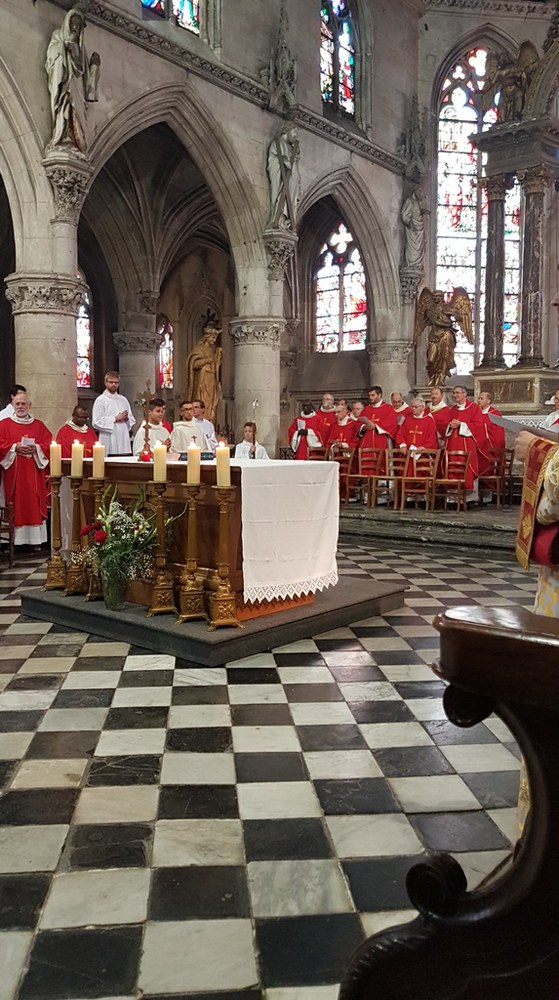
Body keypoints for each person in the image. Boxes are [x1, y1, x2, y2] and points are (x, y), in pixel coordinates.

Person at [45, 6, 100, 152]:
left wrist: (94, 67)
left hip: (77, 87)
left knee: (77, 114)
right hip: (65, 82)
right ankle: (63, 135)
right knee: (65, 107)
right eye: (73, 23)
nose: (75, 27)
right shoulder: (58, 35)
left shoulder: (82, 50)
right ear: (68, 23)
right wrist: (63, 47)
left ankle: (75, 139)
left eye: (78, 25)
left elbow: (86, 78)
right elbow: (52, 56)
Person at [0, 392, 51, 547]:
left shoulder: (39, 425)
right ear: (13, 405)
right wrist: (15, 447)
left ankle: (35, 541)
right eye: (17, 404)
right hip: (13, 472)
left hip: (34, 472)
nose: (20, 407)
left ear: (30, 405)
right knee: (15, 503)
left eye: (23, 404)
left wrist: (36, 448)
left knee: (33, 503)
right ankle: (14, 541)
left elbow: (49, 445)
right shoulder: (4, 425)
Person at [444, 385, 489, 499]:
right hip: (453, 444)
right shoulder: (452, 410)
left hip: (467, 444)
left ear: (465, 394)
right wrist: (450, 425)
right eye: (454, 393)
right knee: (452, 468)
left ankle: (469, 498)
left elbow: (478, 426)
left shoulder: (474, 408)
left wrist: (461, 424)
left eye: (457, 393)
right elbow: (446, 424)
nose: (455, 395)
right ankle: (452, 499)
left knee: (467, 468)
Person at [185, 324, 223, 425]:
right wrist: (208, 360)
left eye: (215, 338)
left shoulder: (213, 350)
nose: (214, 340)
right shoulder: (199, 349)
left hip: (212, 380)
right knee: (201, 399)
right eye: (213, 338)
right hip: (202, 379)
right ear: (207, 337)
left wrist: (218, 359)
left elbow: (215, 365)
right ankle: (199, 419)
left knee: (211, 403)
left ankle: (208, 420)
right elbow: (194, 364)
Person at [92, 372, 134, 456]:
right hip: (109, 436)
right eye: (111, 382)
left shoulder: (123, 400)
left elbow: (131, 419)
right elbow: (96, 421)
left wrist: (127, 419)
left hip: (123, 435)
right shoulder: (100, 400)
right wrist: (115, 419)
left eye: (116, 382)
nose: (114, 384)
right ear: (105, 383)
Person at [266, 125, 300, 230]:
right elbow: (272, 160)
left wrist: (296, 156)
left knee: (291, 198)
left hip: (291, 181)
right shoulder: (277, 144)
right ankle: (278, 219)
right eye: (294, 132)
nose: (295, 135)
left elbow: (294, 165)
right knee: (280, 197)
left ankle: (286, 221)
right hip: (282, 180)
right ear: (287, 131)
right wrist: (284, 161)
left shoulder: (291, 148)